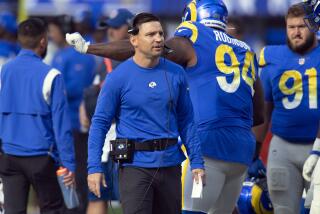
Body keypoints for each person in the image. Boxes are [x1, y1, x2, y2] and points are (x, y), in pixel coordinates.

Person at [66, 1, 264, 213]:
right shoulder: (246, 49)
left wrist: (89, 48)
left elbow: (143, 49)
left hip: (208, 145)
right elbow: (258, 114)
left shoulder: (195, 38)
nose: (159, 39)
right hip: (241, 151)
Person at [86, 13, 205, 214]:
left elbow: (187, 121)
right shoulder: (118, 78)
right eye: (150, 34)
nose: (158, 38)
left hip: (170, 164)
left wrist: (197, 161)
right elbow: (100, 123)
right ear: (134, 40)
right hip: (135, 167)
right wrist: (94, 167)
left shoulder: (177, 73)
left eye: (160, 33)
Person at [0, 18, 76, 214]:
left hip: (9, 156)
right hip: (41, 158)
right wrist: (68, 165)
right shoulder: (52, 75)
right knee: (52, 210)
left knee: (13, 211)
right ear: (43, 41)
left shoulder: (5, 70)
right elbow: (62, 126)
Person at [255, 3, 320, 213]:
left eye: (302, 26)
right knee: (283, 209)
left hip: (317, 146)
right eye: (291, 27)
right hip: (283, 147)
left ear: (314, 27)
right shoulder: (273, 57)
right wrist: (253, 152)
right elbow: (264, 109)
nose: (296, 32)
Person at [83, 8, 134, 214]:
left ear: (130, 29)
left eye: (116, 27)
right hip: (104, 138)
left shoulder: (137, 61)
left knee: (131, 200)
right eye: (109, 27)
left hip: (125, 137)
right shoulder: (104, 61)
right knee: (97, 197)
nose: (111, 32)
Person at [49, 17, 96, 214]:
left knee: (73, 169)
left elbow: (73, 89)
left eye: (53, 30)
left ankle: (75, 208)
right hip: (72, 122)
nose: (51, 35)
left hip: (73, 123)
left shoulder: (73, 54)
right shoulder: (65, 53)